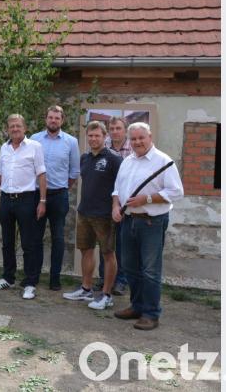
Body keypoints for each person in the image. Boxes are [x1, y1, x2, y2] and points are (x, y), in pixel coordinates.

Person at [112, 122, 183, 330]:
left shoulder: (164, 161)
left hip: (151, 222)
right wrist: (116, 206)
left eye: (141, 138)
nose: (137, 142)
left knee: (150, 270)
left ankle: (151, 314)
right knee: (129, 267)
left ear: (150, 137)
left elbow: (177, 192)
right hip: (128, 220)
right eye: (133, 139)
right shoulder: (127, 161)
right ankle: (137, 306)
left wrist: (148, 199)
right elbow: (117, 188)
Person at [62, 121, 122, 310]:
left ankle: (106, 295)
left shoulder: (114, 158)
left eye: (97, 135)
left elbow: (121, 186)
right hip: (85, 212)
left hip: (105, 215)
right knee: (86, 250)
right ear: (86, 137)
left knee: (108, 254)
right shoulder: (85, 158)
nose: (93, 139)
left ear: (105, 137)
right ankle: (86, 289)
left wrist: (116, 208)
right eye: (90, 135)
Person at [0, 114, 47, 300]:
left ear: (25, 128)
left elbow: (42, 174)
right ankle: (8, 277)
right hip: (6, 199)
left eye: (18, 126)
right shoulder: (4, 148)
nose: (15, 129)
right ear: (8, 129)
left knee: (28, 242)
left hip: (27, 199)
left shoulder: (35, 147)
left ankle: (30, 283)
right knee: (7, 241)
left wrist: (42, 201)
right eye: (12, 126)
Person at [29, 105, 80, 291]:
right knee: (36, 237)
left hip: (59, 195)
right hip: (36, 195)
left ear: (62, 120)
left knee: (58, 238)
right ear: (46, 119)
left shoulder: (71, 142)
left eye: (57, 118)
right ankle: (33, 277)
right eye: (50, 117)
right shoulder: (34, 139)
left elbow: (74, 171)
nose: (53, 121)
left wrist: (63, 187)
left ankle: (54, 279)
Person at [95, 116, 133, 295]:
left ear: (125, 130)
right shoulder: (104, 147)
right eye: (112, 128)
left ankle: (121, 281)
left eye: (118, 128)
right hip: (105, 202)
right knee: (106, 243)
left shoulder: (133, 148)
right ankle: (104, 279)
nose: (115, 131)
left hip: (126, 203)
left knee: (122, 244)